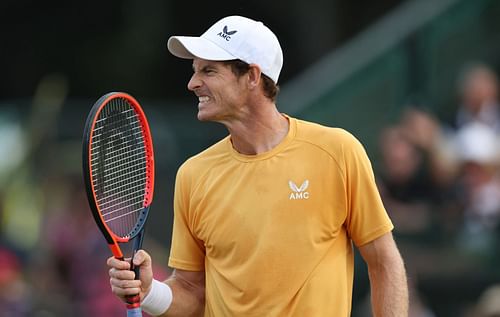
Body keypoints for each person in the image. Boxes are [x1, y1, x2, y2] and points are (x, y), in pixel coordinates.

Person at [107, 15, 408, 316]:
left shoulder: (338, 151)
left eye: (209, 71)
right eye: (195, 71)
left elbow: (384, 262)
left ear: (252, 76)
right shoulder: (193, 175)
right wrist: (149, 291)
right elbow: (191, 292)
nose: (193, 83)